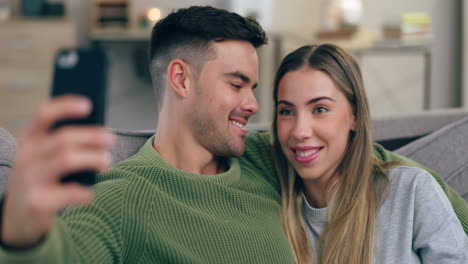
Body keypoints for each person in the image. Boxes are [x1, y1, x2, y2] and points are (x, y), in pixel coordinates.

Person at [0, 6, 466, 263]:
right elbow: (69, 252)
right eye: (237, 84)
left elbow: (371, 157)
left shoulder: (268, 157)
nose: (253, 105)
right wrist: (21, 235)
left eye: (255, 88)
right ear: (182, 80)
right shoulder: (124, 198)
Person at [271, 43, 468, 264]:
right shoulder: (269, 209)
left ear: (354, 116)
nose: (300, 131)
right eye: (286, 111)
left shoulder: (412, 191)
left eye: (320, 109)